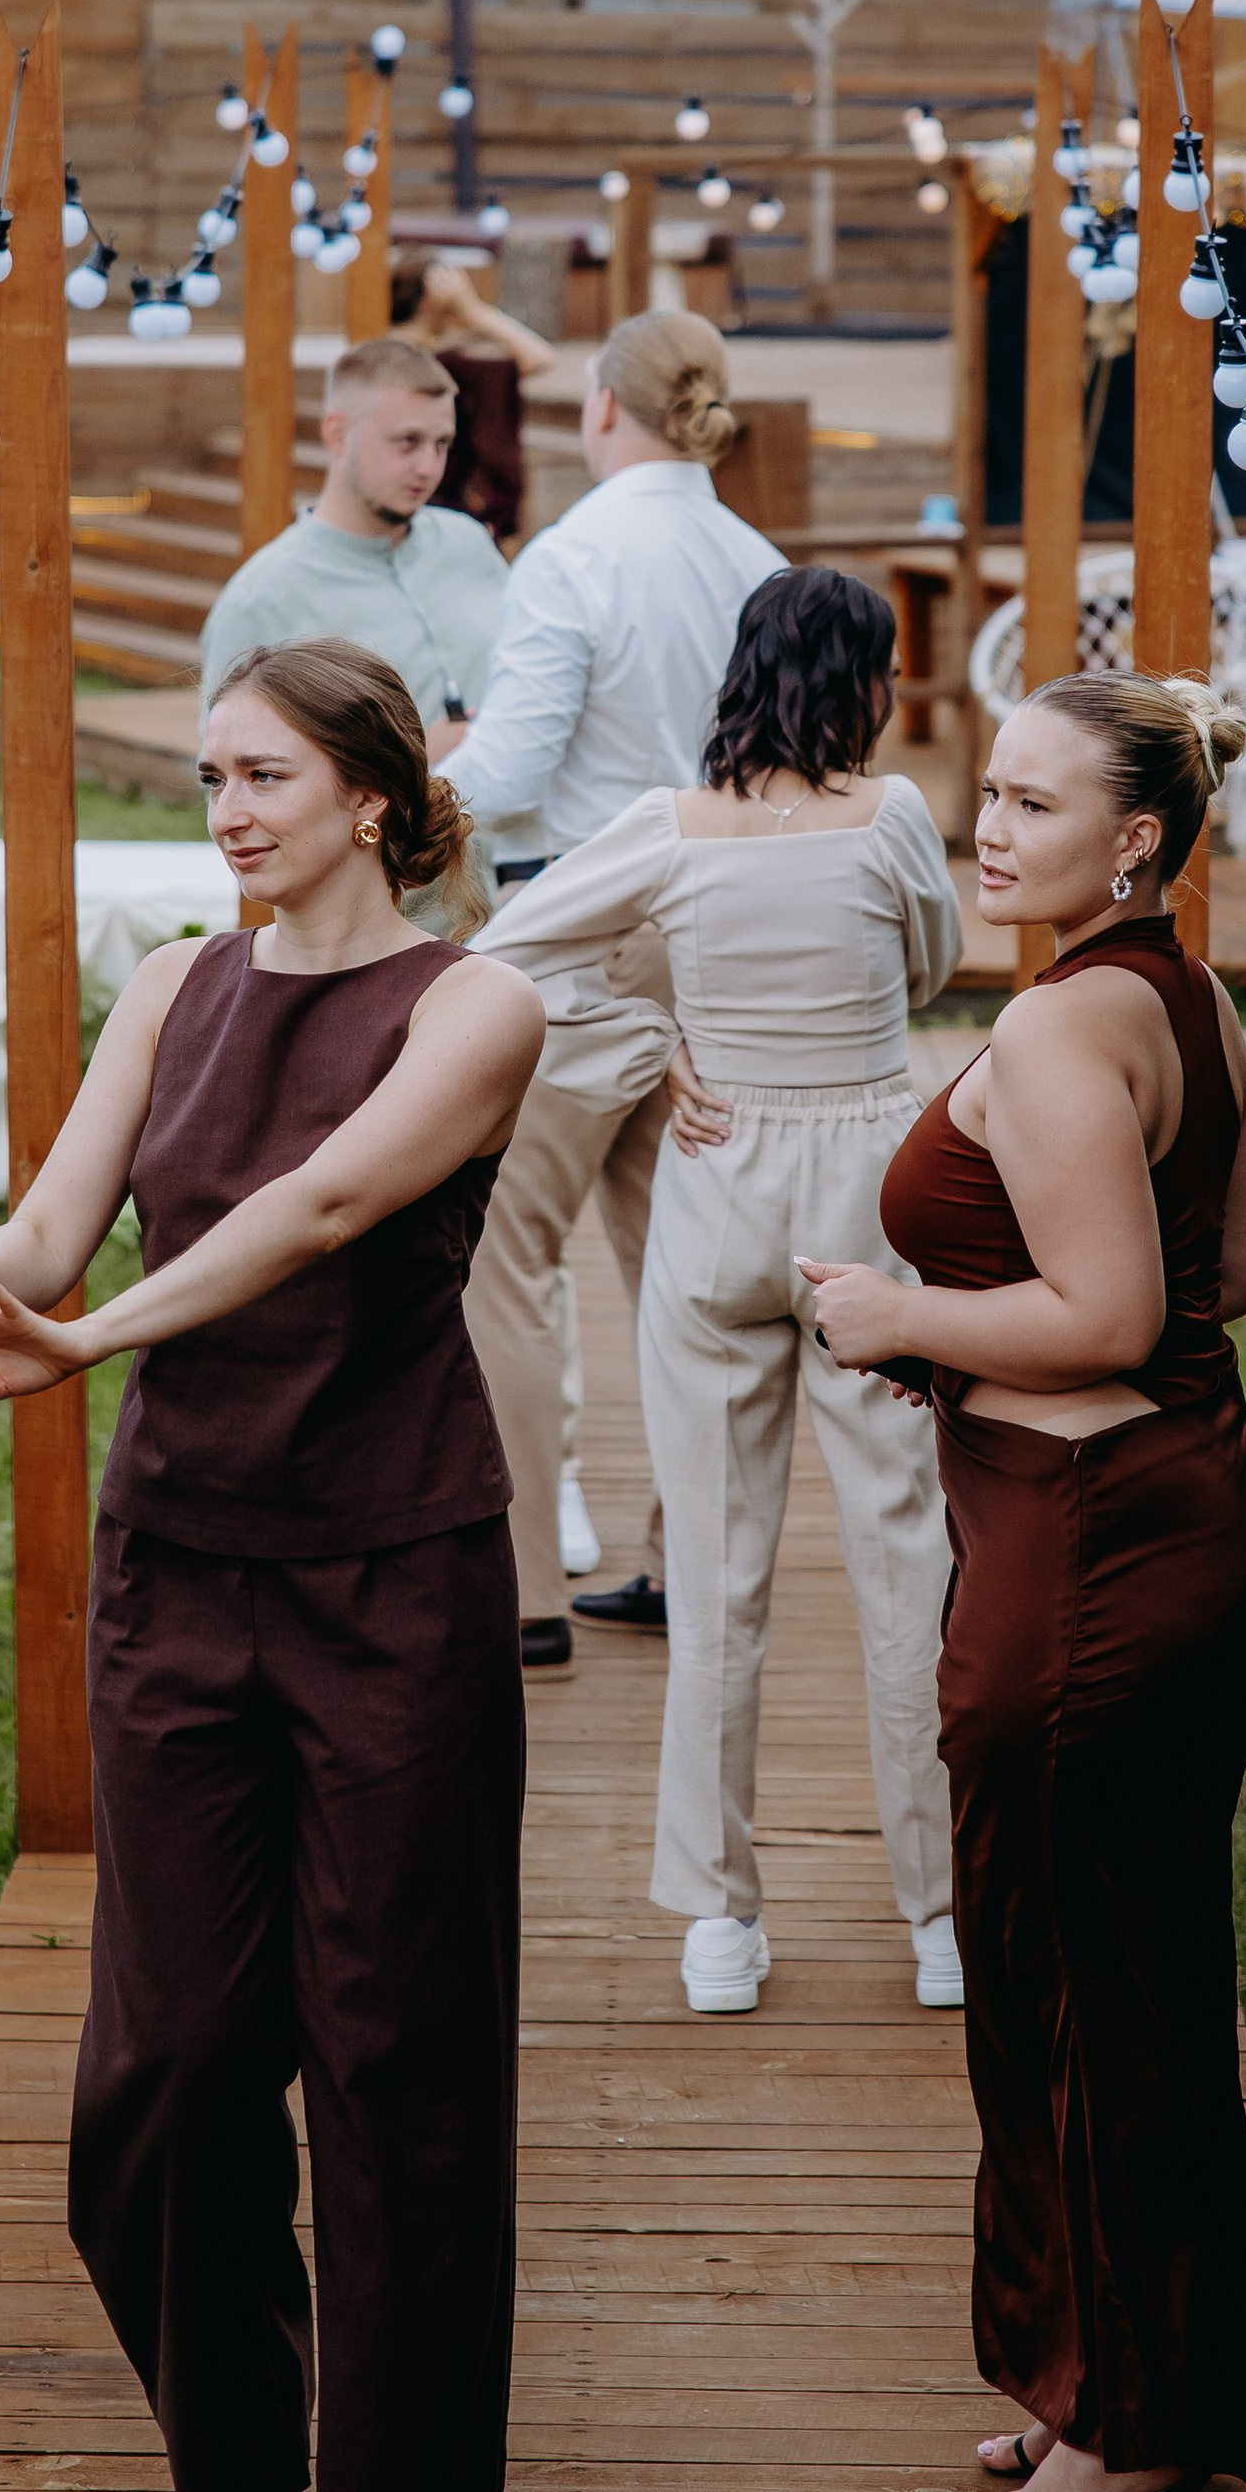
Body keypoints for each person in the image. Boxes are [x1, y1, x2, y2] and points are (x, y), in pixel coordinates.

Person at [0, 637, 544, 2492]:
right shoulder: (170, 987)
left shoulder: (476, 1005)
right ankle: (249, 2459)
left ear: (373, 798)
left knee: (396, 2070)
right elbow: (53, 1237)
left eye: (259, 776)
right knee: (161, 2074)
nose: (220, 810)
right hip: (183, 1578)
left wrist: (99, 1338)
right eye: (206, 775)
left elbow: (317, 1207)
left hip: (395, 1575)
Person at [806, 672, 1246, 2492]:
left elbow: (1106, 1314)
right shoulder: (1180, 991)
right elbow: (1238, 1260)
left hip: (1088, 1556)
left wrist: (900, 1316)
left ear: (1137, 841)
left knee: (1078, 1997)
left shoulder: (1059, 1024)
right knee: (1117, 1983)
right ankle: (1108, 2383)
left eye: (1028, 804)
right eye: (983, 793)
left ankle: (1128, 2433)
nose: (985, 827)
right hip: (1170, 1516)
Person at [485, 569, 962, 2015]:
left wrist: (651, 1036)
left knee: (715, 1573)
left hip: (719, 1186)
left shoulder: (664, 828)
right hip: (869, 1197)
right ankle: (939, 1918)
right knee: (908, 1564)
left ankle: (718, 1922)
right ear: (867, 679)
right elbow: (936, 971)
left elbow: (506, 951)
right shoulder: (894, 818)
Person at [436, 309, 783, 1666]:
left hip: (583, 922)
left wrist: (387, 789)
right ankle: (675, 1560)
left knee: (504, 1256)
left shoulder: (574, 556)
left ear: (597, 409)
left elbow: (512, 765)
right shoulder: (759, 561)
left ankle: (523, 1589)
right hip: (722, 933)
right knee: (681, 1266)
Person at [200, 336, 513, 774]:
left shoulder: (469, 543)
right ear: (337, 433)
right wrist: (416, 763)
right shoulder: (262, 599)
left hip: (527, 839)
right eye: (408, 441)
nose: (429, 466)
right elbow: (231, 782)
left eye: (442, 444)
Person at [385, 250, 558, 543]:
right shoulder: (449, 366)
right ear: (431, 299)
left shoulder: (374, 352)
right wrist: (474, 310)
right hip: (444, 506)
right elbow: (540, 357)